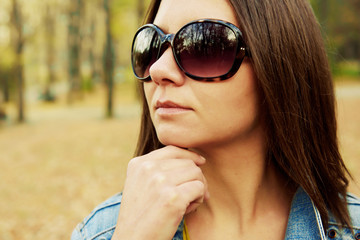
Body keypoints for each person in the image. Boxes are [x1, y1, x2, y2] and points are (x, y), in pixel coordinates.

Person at [71, 0, 360, 239]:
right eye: (152, 45)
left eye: (205, 47)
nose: (159, 69)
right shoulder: (103, 232)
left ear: (278, 64)